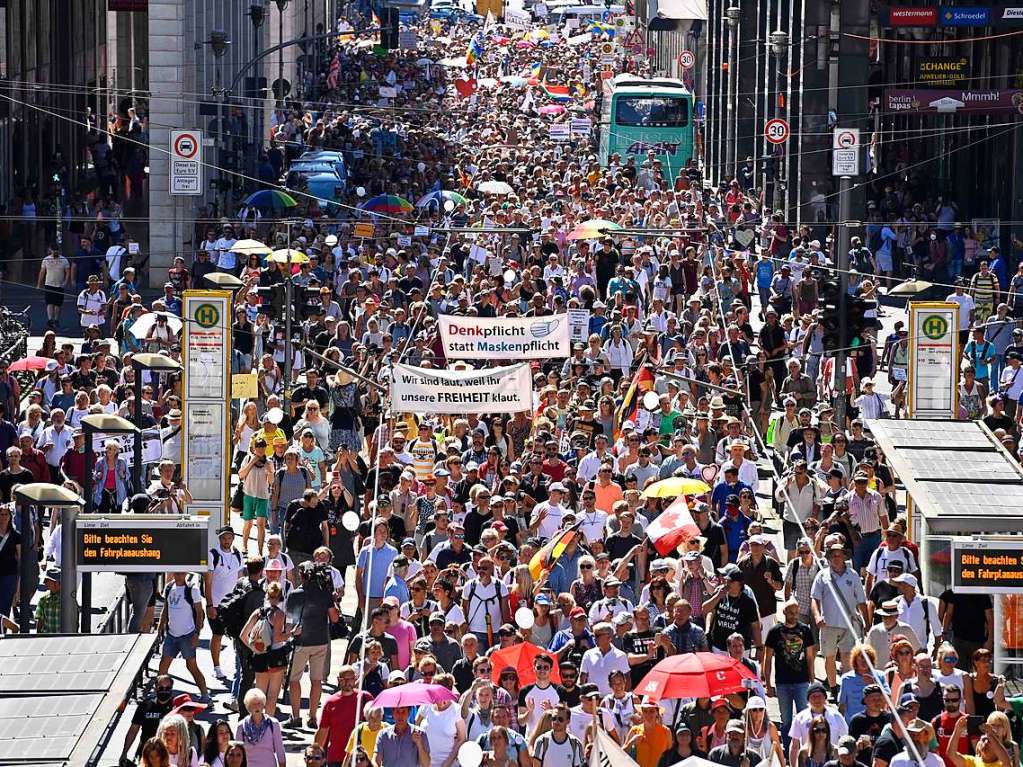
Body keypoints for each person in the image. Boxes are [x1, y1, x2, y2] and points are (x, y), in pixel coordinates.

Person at [763, 598, 817, 746]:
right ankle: (787, 750)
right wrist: (768, 683)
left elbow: (810, 657)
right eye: (790, 612)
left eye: (796, 613)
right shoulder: (774, 632)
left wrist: (812, 679)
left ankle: (805, 748)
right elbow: (767, 659)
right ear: (784, 612)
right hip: (782, 683)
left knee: (804, 718)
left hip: (802, 681)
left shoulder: (805, 630)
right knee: (786, 720)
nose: (793, 615)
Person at [156, 572, 209, 699]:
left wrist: (197, 634)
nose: (178, 575)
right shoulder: (169, 587)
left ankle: (205, 695)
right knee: (163, 665)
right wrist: (160, 626)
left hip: (187, 635)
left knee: (191, 666)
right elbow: (166, 608)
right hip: (171, 635)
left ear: (185, 573)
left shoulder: (192, 590)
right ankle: (159, 696)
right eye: (176, 572)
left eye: (181, 572)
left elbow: (199, 613)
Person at [316, 666, 375, 767]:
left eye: (351, 679)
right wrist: (316, 756)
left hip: (359, 759)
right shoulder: (331, 702)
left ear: (355, 679)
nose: (348, 683)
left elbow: (376, 724)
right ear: (339, 680)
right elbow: (323, 731)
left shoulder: (365, 698)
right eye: (344, 679)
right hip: (336, 757)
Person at [237, 689, 286, 767]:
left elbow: (280, 750)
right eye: (253, 704)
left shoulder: (273, 724)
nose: (257, 707)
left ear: (263, 705)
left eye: (259, 703)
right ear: (248, 707)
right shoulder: (241, 726)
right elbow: (238, 752)